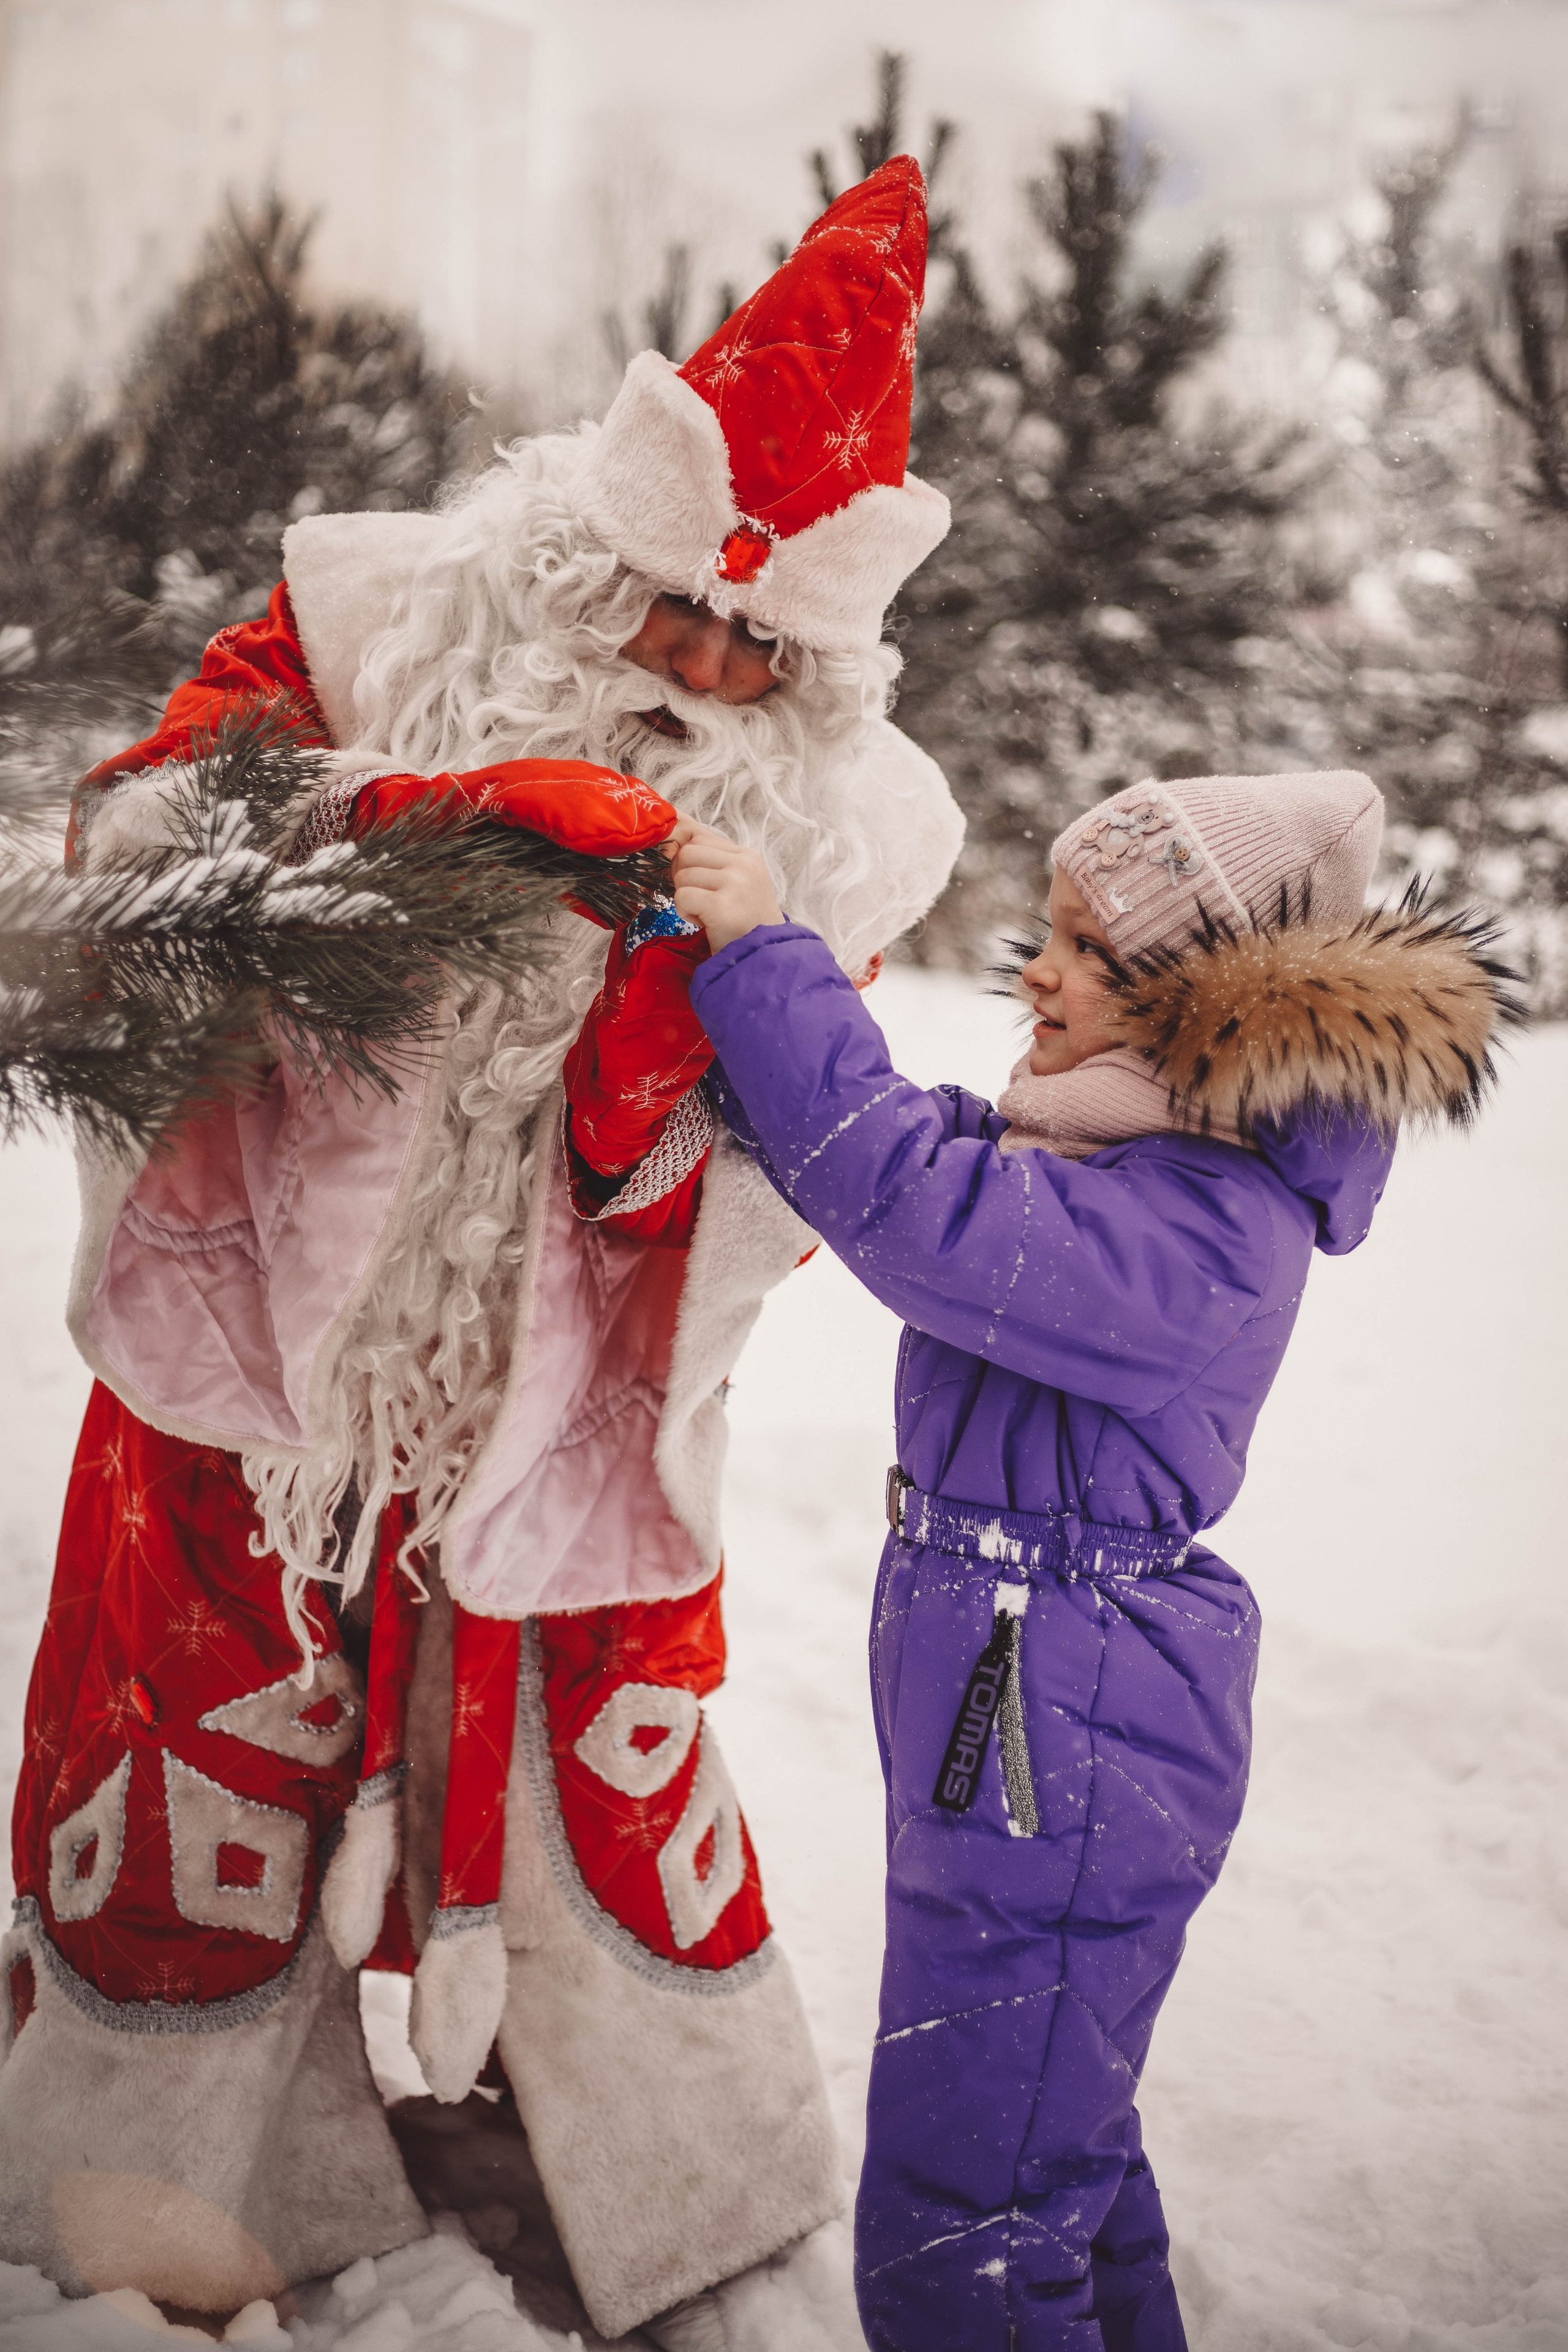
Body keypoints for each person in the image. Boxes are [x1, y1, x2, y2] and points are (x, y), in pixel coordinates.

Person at [0, 157, 962, 2346]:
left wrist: (647, 1058)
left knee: (586, 1758)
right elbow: (128, 860)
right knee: (207, 1728)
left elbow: (783, 1159)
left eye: (760, 644)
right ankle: (170, 2180)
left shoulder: (842, 825)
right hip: (263, 1345)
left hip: (568, 1393)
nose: (704, 668)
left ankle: (648, 2177)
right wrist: (421, 831)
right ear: (580, 547)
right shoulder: (368, 626)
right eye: (666, 609)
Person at [663, 771, 1517, 2351]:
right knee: (1051, 2135)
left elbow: (916, 1204)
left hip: (1075, 1708)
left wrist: (767, 962)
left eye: (1088, 950)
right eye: (1048, 933)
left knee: (967, 2218)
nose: (1037, 970)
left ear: (1201, 1006)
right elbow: (927, 1143)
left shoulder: (1203, 1225)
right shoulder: (1121, 1164)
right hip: (1021, 1681)